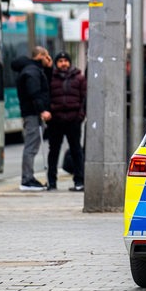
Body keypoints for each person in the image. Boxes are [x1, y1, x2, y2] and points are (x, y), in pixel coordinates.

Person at [11, 46, 53, 191]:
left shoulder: (33, 69)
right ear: (41, 55)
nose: (48, 58)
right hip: (33, 113)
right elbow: (34, 92)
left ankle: (28, 177)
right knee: (31, 146)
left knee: (32, 145)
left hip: (32, 112)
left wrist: (49, 67)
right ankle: (27, 179)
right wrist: (42, 110)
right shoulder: (32, 72)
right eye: (46, 56)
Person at [46, 51, 87, 192]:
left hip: (73, 120)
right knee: (53, 152)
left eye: (65, 60)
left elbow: (84, 98)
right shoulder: (50, 78)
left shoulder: (79, 78)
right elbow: (47, 97)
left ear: (69, 62)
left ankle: (79, 181)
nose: (63, 63)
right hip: (55, 121)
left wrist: (80, 116)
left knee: (76, 151)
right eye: (60, 61)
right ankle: (51, 182)